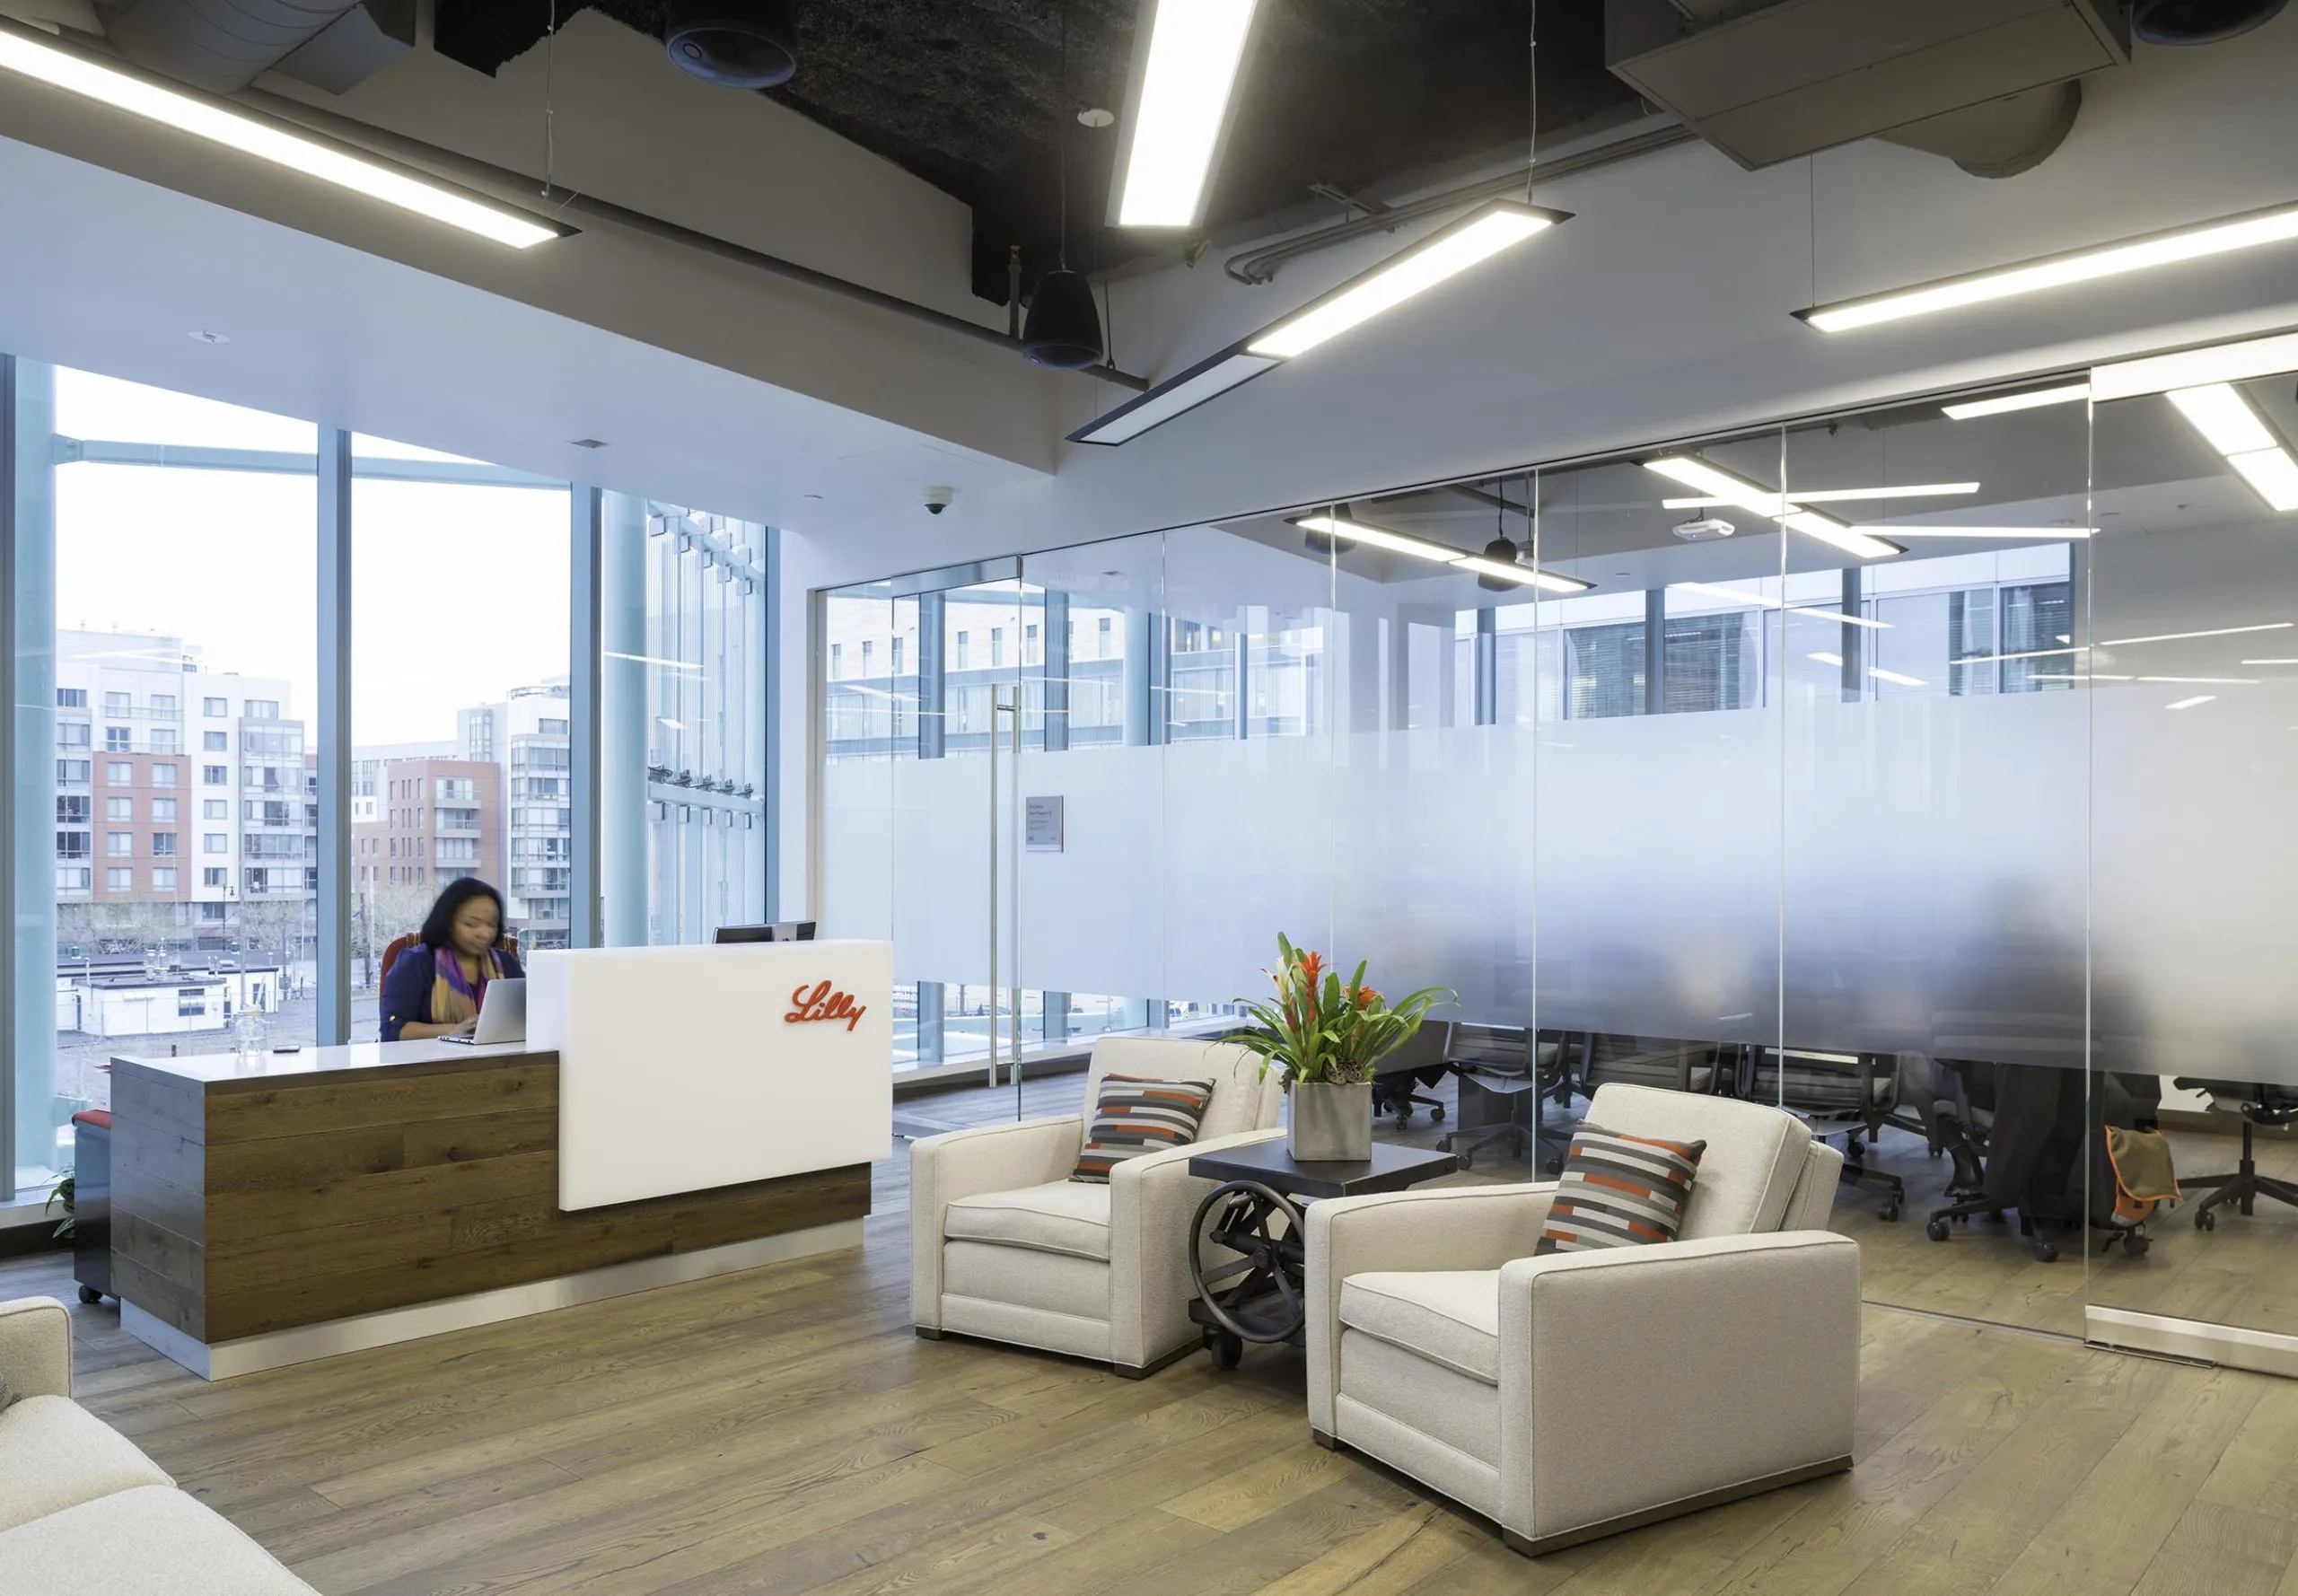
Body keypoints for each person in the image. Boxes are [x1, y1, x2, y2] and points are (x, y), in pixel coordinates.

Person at [380, 878, 523, 1042]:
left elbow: (526, 1018)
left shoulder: (506, 963)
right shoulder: (416, 963)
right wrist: (454, 1030)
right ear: (448, 922)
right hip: (431, 1063)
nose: (485, 933)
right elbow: (392, 1030)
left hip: (501, 1061)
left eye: (492, 924)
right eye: (471, 924)